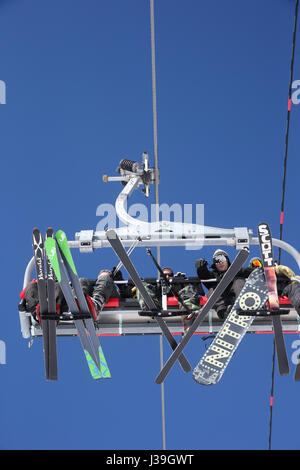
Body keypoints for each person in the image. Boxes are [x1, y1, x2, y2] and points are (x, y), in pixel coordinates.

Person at [195, 249, 253, 320]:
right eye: (217, 261)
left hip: (236, 297)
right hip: (222, 301)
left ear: (227, 260)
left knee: (239, 281)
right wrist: (201, 268)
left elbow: (250, 272)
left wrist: (262, 271)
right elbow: (205, 276)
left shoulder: (237, 271)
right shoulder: (213, 276)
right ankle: (223, 312)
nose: (220, 262)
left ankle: (242, 305)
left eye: (222, 259)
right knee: (212, 289)